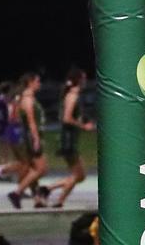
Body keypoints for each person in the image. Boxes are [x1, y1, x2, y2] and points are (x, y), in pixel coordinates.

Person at [44, 67, 95, 208]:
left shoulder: (74, 94)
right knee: (79, 175)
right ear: (78, 80)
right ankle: (52, 193)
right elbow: (67, 118)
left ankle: (53, 195)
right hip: (68, 139)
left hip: (70, 138)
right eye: (83, 78)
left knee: (78, 175)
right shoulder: (72, 96)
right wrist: (83, 126)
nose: (85, 81)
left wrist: (84, 121)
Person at [8, 72, 48, 209]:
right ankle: (17, 192)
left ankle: (37, 199)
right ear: (30, 82)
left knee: (34, 168)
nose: (39, 83)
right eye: (37, 81)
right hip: (32, 137)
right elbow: (31, 122)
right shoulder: (27, 99)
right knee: (41, 169)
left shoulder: (26, 98)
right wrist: (36, 139)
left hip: (29, 137)